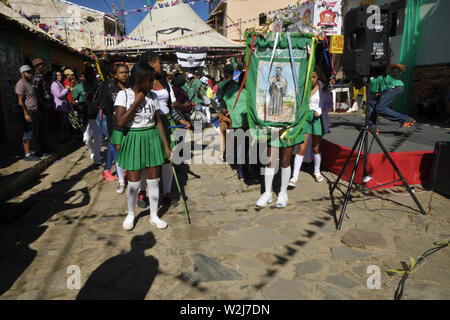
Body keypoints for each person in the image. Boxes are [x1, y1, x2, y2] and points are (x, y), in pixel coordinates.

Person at [115, 62, 172, 231]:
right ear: (140, 80)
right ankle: (131, 214)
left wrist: (166, 146)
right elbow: (120, 122)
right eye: (149, 81)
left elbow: (158, 121)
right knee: (133, 183)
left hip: (151, 137)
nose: (153, 84)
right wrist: (136, 103)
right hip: (133, 137)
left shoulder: (152, 96)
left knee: (154, 181)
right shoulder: (123, 95)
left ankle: (154, 215)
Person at [138, 52, 190, 208]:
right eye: (159, 62)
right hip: (150, 124)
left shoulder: (165, 84)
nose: (161, 65)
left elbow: (170, 106)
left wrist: (180, 119)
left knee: (168, 160)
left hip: (166, 123)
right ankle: (142, 191)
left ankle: (167, 192)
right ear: (150, 63)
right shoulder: (141, 83)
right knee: (147, 160)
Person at [290, 67, 333, 187]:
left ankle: (317, 171)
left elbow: (330, 105)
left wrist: (320, 110)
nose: (311, 80)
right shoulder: (302, 88)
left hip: (317, 118)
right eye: (309, 77)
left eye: (313, 77)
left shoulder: (324, 89)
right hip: (305, 119)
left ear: (318, 77)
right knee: (301, 147)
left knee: (316, 147)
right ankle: (294, 176)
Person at [217, 64, 249, 180]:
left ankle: (241, 172)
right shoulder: (246, 92)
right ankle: (247, 171)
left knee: (238, 144)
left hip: (235, 120)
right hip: (247, 120)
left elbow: (221, 101)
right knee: (247, 146)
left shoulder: (224, 86)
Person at [368, 64, 416, 131]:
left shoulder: (377, 68)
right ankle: (372, 127)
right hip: (387, 89)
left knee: (380, 108)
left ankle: (406, 119)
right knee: (372, 103)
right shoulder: (366, 77)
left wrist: (396, 66)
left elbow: (391, 65)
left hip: (394, 87)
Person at [73, 68, 102, 166]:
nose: (93, 78)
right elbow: (73, 100)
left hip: (96, 115)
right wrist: (78, 105)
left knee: (98, 138)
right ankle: (93, 151)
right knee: (86, 139)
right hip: (85, 115)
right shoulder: (78, 87)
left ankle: (97, 158)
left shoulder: (97, 86)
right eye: (90, 76)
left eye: (93, 76)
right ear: (85, 77)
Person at [15, 65, 41, 161]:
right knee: (27, 133)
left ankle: (33, 152)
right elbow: (20, 101)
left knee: (33, 133)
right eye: (28, 72)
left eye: (31, 72)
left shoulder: (28, 83)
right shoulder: (20, 84)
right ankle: (27, 155)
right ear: (23, 73)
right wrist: (25, 114)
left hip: (33, 111)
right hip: (28, 111)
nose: (30, 74)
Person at [31, 58, 53, 155]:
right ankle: (44, 149)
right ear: (37, 67)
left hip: (46, 105)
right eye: (42, 65)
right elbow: (35, 93)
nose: (43, 67)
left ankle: (47, 146)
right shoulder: (37, 78)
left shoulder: (42, 77)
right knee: (42, 129)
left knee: (46, 128)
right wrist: (40, 106)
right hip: (42, 107)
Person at [50, 69, 71, 142]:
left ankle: (65, 136)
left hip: (64, 106)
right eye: (58, 75)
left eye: (60, 75)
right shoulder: (54, 84)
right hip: (60, 107)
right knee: (61, 124)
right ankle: (61, 138)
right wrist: (66, 89)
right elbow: (59, 95)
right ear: (55, 76)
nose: (60, 76)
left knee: (65, 123)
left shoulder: (59, 83)